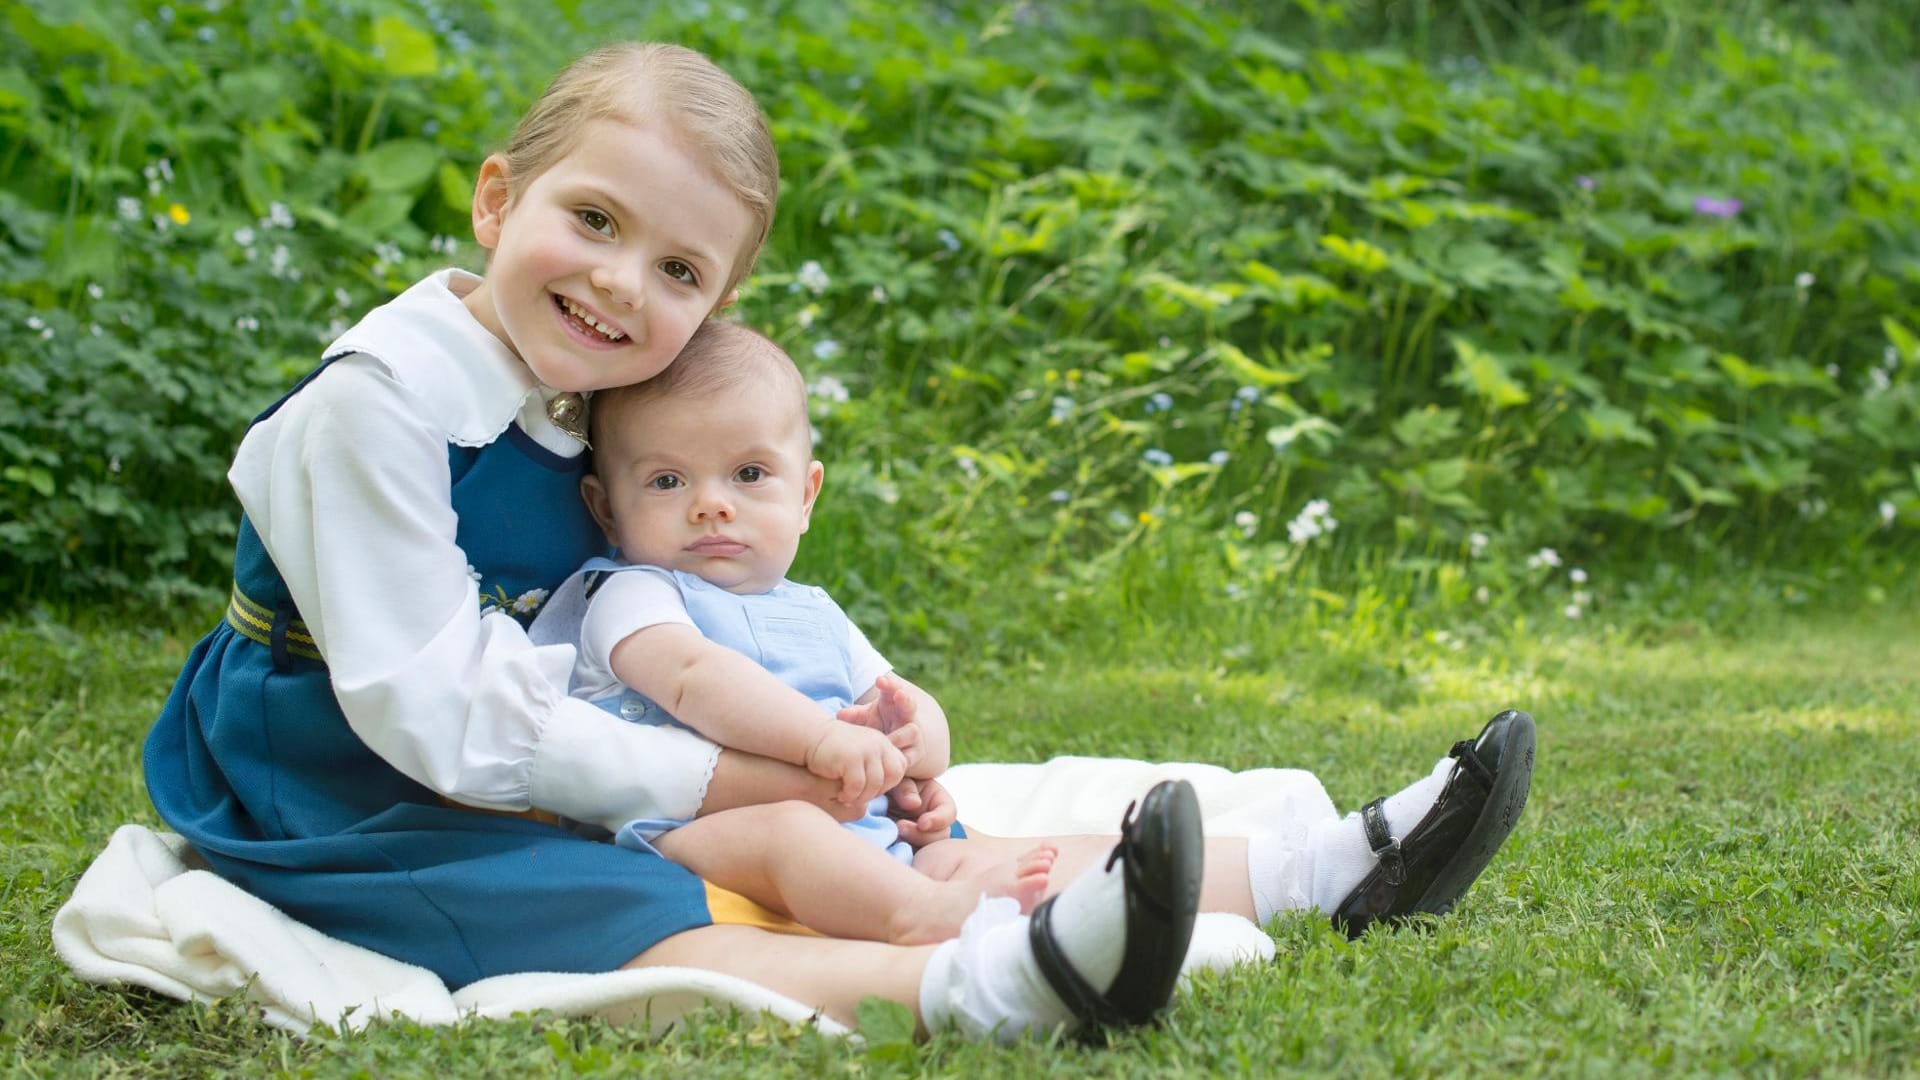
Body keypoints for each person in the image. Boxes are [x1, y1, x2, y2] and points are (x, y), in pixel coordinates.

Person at [139, 39, 1536, 1044]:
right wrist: (730, 768)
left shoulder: (597, 377)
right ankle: (980, 988)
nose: (623, 284)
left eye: (680, 270)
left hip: (556, 725)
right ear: (497, 201)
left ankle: (1329, 868)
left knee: (918, 828)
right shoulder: (376, 408)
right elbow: (439, 718)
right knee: (630, 895)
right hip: (342, 757)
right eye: (593, 221)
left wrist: (797, 753)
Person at [529, 320, 1060, 946]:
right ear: (608, 510)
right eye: (667, 481)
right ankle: (916, 915)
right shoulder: (632, 595)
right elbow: (693, 678)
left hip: (853, 830)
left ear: (805, 497)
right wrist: (821, 742)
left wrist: (908, 752)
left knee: (950, 851)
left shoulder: (815, 613)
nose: (712, 505)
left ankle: (1015, 911)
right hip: (693, 835)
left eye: (749, 474)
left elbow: (895, 697)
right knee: (788, 834)